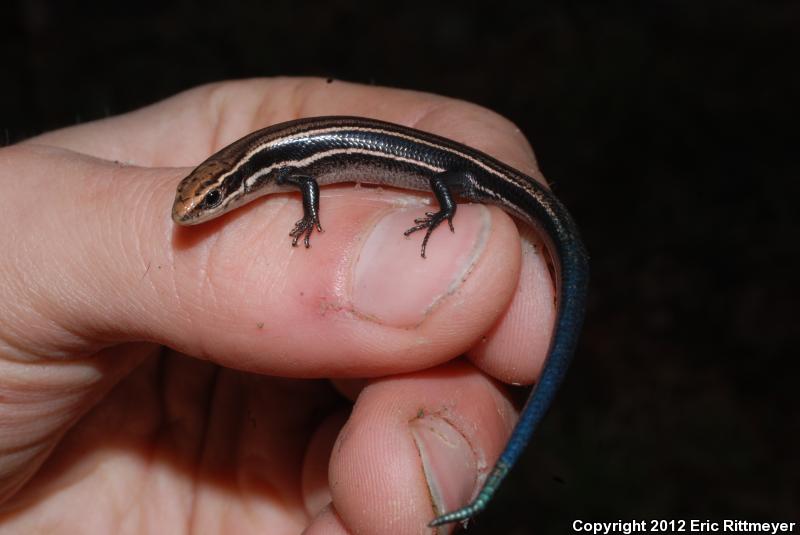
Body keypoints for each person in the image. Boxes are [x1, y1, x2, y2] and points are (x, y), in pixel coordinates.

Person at [0, 78, 557, 533]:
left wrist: (320, 219)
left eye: (211, 199)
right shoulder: (272, 164)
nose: (197, 212)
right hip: (449, 169)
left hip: (458, 174)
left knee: (451, 207)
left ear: (239, 184)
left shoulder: (284, 168)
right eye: (200, 198)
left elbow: (308, 185)